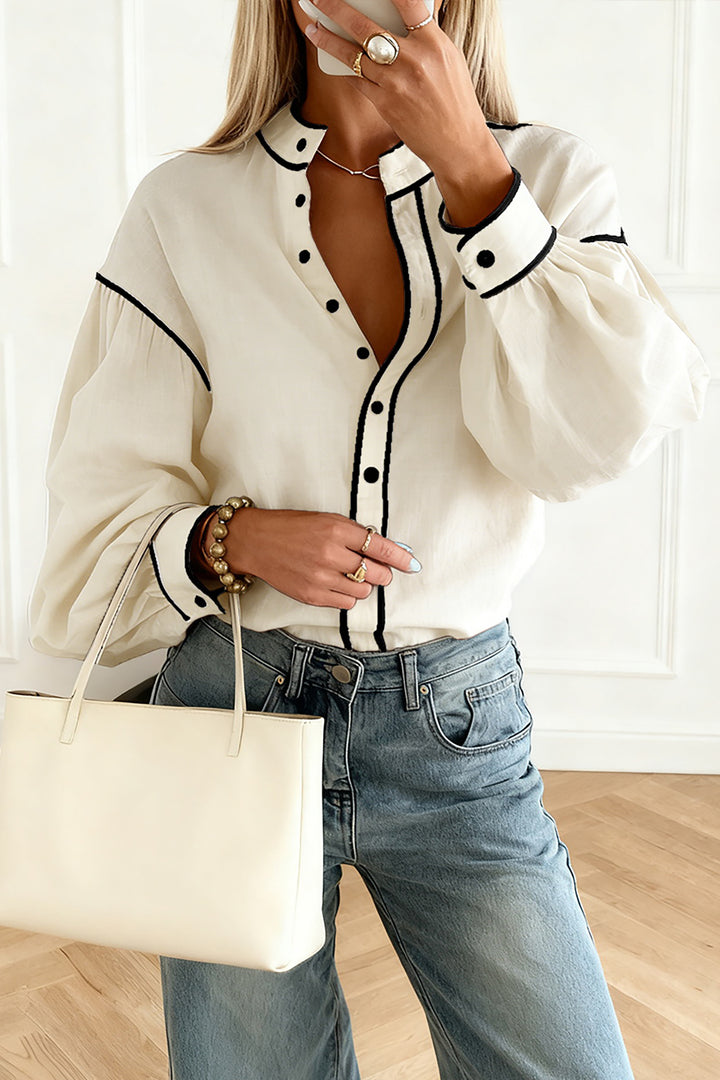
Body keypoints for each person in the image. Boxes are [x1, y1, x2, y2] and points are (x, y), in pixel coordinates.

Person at [28, 0, 708, 1076]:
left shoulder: (550, 180)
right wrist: (232, 539)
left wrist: (475, 174)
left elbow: (597, 436)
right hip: (233, 707)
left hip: (457, 729)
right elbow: (97, 505)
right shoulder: (185, 208)